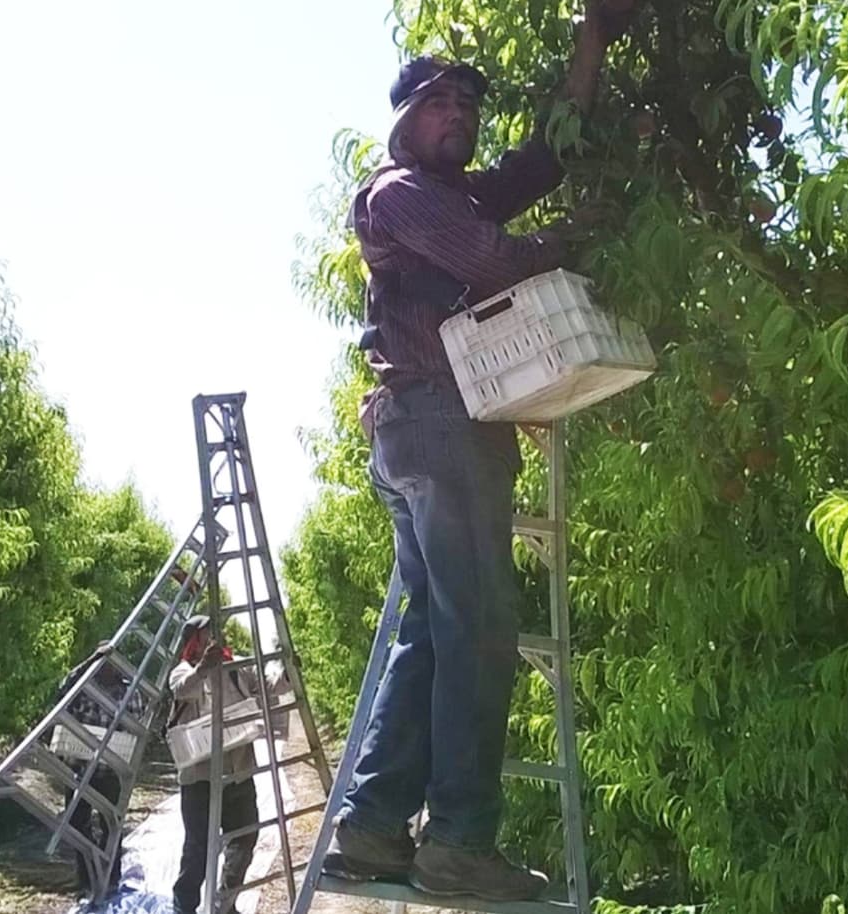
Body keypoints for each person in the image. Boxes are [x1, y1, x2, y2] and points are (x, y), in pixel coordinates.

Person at [322, 1, 633, 902]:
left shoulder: (452, 190)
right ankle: (458, 841)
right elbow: (499, 260)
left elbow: (545, 159)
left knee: (431, 631)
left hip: (421, 428)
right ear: (403, 122)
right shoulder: (401, 193)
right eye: (436, 104)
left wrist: (591, 43)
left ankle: (375, 828)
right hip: (443, 426)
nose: (456, 115)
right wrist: (586, 237)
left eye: (467, 105)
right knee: (481, 631)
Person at [168, 616, 262, 914]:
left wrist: (286, 672)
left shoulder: (235, 669)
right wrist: (202, 669)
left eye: (214, 633)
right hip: (200, 779)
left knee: (245, 837)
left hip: (237, 772)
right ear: (193, 641)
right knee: (198, 849)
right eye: (206, 634)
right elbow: (182, 689)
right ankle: (184, 908)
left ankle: (224, 903)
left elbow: (266, 685)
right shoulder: (182, 671)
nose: (213, 638)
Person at [53, 642, 144, 896]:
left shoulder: (129, 692)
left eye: (111, 664)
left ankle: (111, 878)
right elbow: (62, 689)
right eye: (101, 663)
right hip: (80, 769)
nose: (106, 669)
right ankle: (86, 879)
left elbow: (135, 723)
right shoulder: (83, 687)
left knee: (111, 826)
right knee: (76, 823)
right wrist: (88, 660)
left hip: (111, 771)